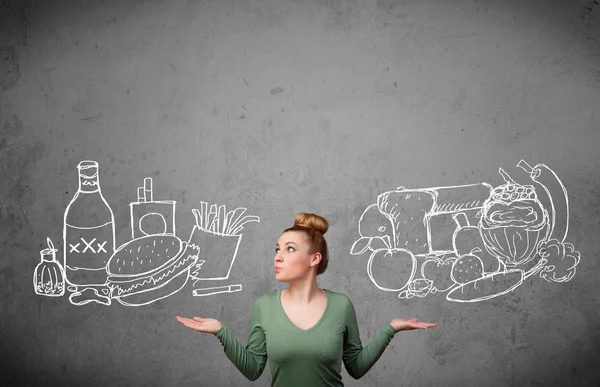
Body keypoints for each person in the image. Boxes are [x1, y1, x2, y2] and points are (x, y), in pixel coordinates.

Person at [177, 212, 437, 386]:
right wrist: (220, 332)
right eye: (277, 249)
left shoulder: (341, 305)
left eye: (290, 249)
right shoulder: (264, 306)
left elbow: (356, 368)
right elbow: (254, 369)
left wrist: (390, 329)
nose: (278, 257)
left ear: (315, 259)